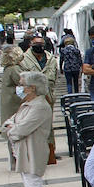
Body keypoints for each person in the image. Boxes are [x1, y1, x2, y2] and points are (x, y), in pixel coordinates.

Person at [3, 70, 63, 187]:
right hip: (23, 153)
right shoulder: (26, 105)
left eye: (22, 84)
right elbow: (8, 123)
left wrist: (12, 129)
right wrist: (13, 127)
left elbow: (19, 130)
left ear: (32, 88)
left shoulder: (39, 106)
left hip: (33, 153)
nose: (19, 87)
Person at [21, 33, 60, 161]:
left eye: (41, 44)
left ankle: (50, 151)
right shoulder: (24, 59)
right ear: (30, 45)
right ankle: (35, 153)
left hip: (47, 96)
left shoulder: (50, 59)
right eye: (36, 44)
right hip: (32, 97)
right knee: (32, 124)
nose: (39, 47)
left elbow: (53, 77)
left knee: (48, 124)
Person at [0, 45, 25, 125]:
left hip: (8, 102)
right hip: (15, 104)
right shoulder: (14, 69)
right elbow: (24, 82)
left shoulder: (8, 68)